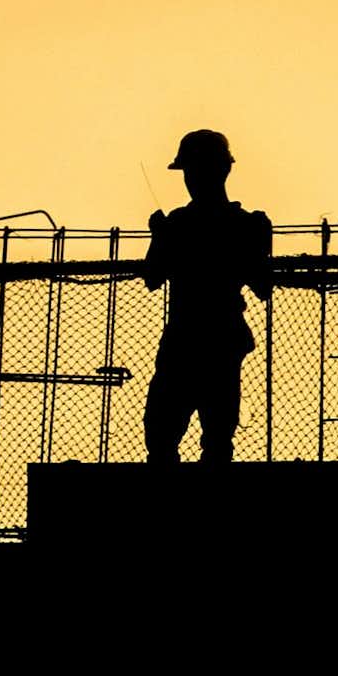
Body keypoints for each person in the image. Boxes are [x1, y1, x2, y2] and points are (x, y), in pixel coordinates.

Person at [139, 129, 271, 464]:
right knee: (197, 436)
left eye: (194, 170)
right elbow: (262, 285)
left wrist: (161, 237)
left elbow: (152, 277)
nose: (191, 179)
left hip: (192, 340)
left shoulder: (183, 225)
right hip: (215, 339)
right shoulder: (243, 225)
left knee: (177, 435)